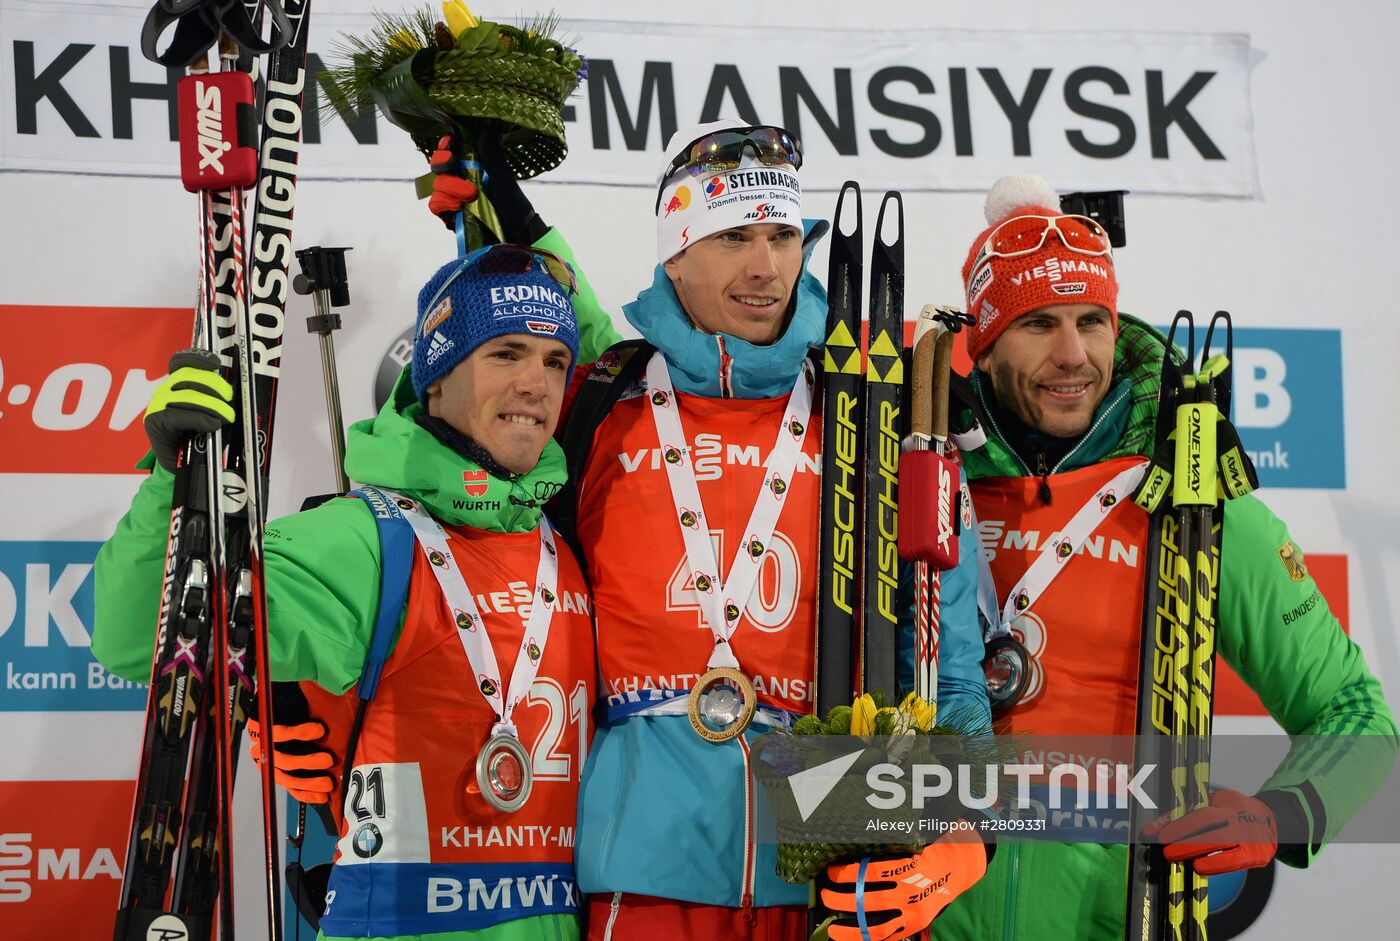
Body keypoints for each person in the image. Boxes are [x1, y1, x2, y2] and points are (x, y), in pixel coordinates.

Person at [556, 121, 993, 940]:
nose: (766, 267)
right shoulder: (596, 407)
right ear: (675, 252)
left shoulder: (877, 414)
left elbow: (951, 668)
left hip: (835, 874)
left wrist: (970, 829)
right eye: (733, 237)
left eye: (785, 235)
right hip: (644, 883)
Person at [933, 173, 1397, 938]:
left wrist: (1283, 812)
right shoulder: (922, 478)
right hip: (932, 917)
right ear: (983, 344)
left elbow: (1354, 714)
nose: (1073, 354)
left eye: (1093, 320)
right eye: (1038, 324)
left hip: (1120, 917)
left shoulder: (1194, 498)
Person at [93, 245, 603, 940]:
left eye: (554, 361)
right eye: (506, 353)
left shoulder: (567, 546)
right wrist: (174, 479)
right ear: (436, 378)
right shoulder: (367, 540)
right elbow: (135, 637)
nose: (537, 384)